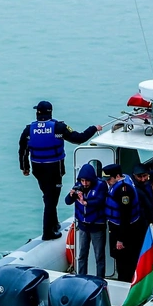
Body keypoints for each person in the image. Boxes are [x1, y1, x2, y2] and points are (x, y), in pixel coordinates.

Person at [19, 100, 102, 240]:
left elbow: (22, 150)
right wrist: (94, 128)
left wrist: (25, 167)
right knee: (52, 200)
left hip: (38, 169)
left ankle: (54, 224)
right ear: (50, 112)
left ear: (37, 113)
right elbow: (79, 138)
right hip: (54, 169)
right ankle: (47, 232)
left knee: (48, 196)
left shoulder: (29, 129)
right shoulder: (58, 127)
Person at [103, 163, 146, 282]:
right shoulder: (124, 179)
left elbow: (125, 216)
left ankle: (126, 283)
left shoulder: (124, 191)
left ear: (117, 176)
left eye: (109, 179)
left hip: (126, 231)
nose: (107, 182)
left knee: (124, 262)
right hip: (119, 227)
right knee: (121, 260)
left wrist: (121, 239)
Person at [65, 163, 107, 277]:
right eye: (82, 180)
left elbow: (100, 201)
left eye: (87, 181)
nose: (84, 183)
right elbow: (67, 201)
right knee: (82, 255)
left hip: (97, 225)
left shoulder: (101, 185)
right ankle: (81, 277)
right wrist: (71, 194)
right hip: (83, 226)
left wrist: (86, 203)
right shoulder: (78, 186)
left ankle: (100, 279)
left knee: (99, 256)